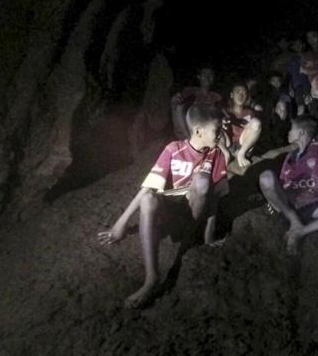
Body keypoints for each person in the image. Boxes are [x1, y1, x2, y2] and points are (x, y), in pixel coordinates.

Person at [98, 105, 228, 308]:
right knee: (149, 198)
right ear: (197, 131)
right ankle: (152, 278)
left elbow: (215, 199)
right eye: (216, 130)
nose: (220, 134)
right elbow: (147, 188)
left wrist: (208, 235)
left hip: (194, 217)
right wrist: (120, 225)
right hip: (172, 215)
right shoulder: (174, 150)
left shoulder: (216, 155)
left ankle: (188, 241)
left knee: (202, 181)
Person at [259, 115, 318, 255]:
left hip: (313, 204)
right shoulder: (289, 155)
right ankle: (294, 220)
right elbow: (279, 182)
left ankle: (301, 231)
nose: (288, 132)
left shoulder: (316, 148)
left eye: (291, 129)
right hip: (289, 203)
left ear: (301, 133)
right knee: (266, 176)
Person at [171, 67, 222, 138]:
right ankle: (188, 138)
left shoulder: (217, 97)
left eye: (210, 74)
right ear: (199, 77)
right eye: (204, 74)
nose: (207, 77)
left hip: (208, 130)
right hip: (189, 130)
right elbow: (175, 104)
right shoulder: (189, 91)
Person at [223, 82, 262, 168]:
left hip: (243, 145)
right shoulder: (224, 111)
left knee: (256, 122)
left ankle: (241, 154)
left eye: (244, 93)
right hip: (228, 146)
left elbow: (255, 128)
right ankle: (226, 156)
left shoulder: (251, 112)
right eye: (238, 92)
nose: (241, 96)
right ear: (231, 95)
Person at [285, 38, 310, 116]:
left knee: (311, 106)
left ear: (303, 45)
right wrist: (290, 87)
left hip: (310, 84)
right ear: (293, 47)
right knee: (300, 106)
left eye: (299, 44)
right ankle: (299, 125)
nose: (297, 46)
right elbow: (290, 75)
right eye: (295, 45)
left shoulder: (309, 56)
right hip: (297, 86)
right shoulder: (291, 60)